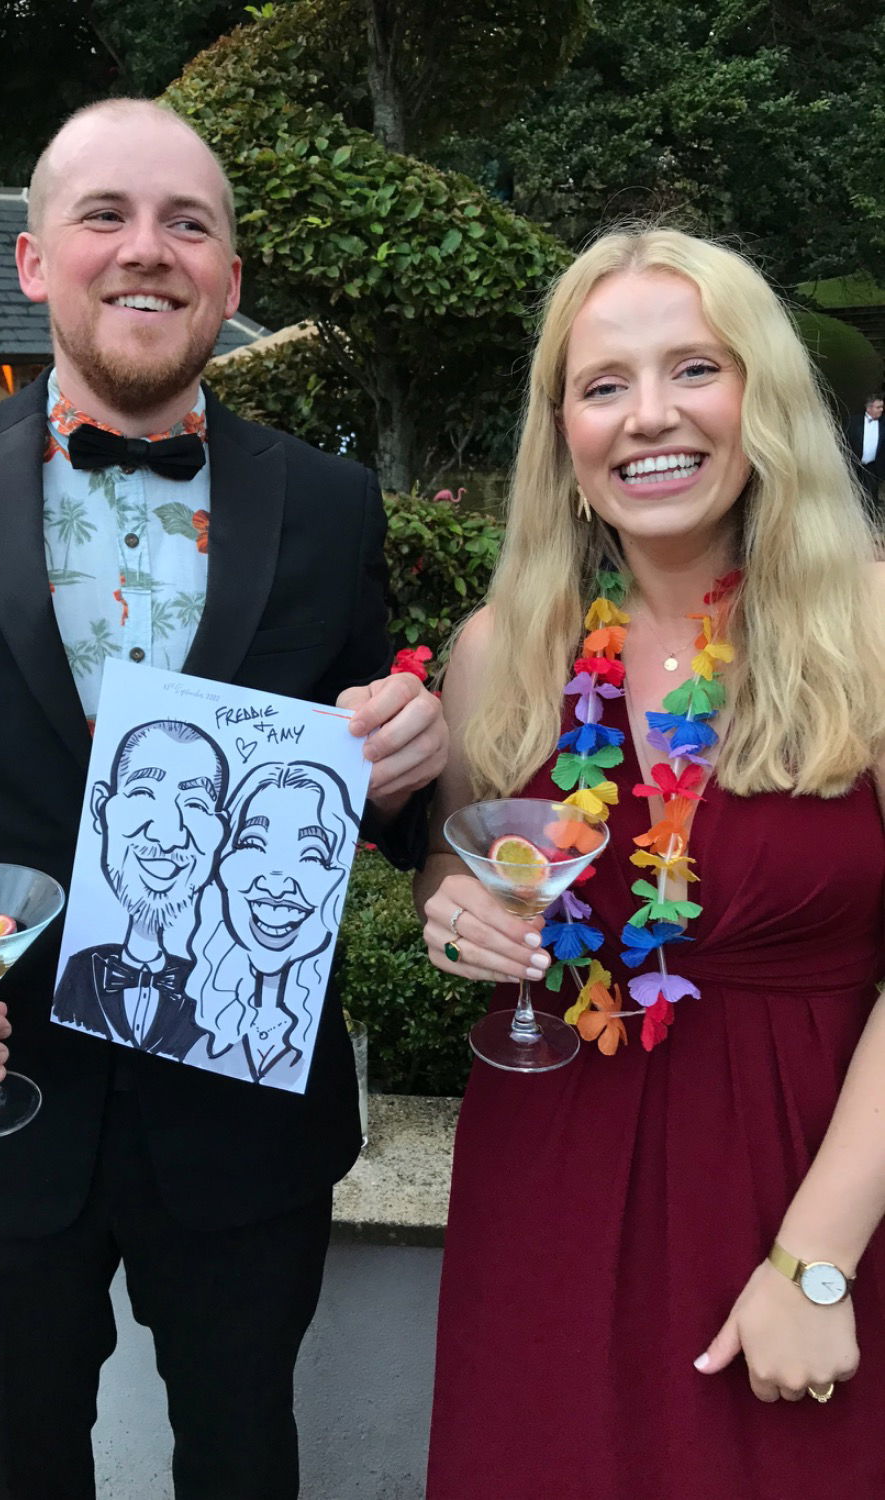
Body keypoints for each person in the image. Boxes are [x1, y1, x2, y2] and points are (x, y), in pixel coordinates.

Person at [0, 97, 446, 1500]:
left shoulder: (330, 503)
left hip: (247, 1123)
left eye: (187, 223)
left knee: (245, 1461)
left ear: (229, 280)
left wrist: (410, 756)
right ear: (33, 261)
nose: (148, 249)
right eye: (105, 216)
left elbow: (373, 803)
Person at [416, 227, 885, 1499]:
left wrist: (816, 1264)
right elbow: (454, 875)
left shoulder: (870, 628)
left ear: (762, 399)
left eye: (694, 368)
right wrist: (453, 917)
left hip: (812, 1187)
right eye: (603, 384)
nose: (648, 416)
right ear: (562, 434)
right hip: (551, 1193)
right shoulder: (501, 650)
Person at [53, 718, 229, 1059]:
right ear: (101, 807)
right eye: (144, 793)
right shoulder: (77, 970)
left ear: (220, 830)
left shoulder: (213, 990)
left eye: (195, 804)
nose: (168, 835)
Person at [188, 760, 361, 1086]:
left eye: (312, 854)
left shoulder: (317, 1046)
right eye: (253, 844)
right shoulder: (192, 1030)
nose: (277, 885)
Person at [844, 391, 884, 519]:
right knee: (851, 493)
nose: (881, 410)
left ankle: (869, 521)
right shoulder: (853, 421)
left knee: (871, 496)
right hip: (854, 464)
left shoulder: (883, 423)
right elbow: (845, 441)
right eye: (878, 407)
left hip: (873, 466)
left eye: (882, 407)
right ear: (869, 408)